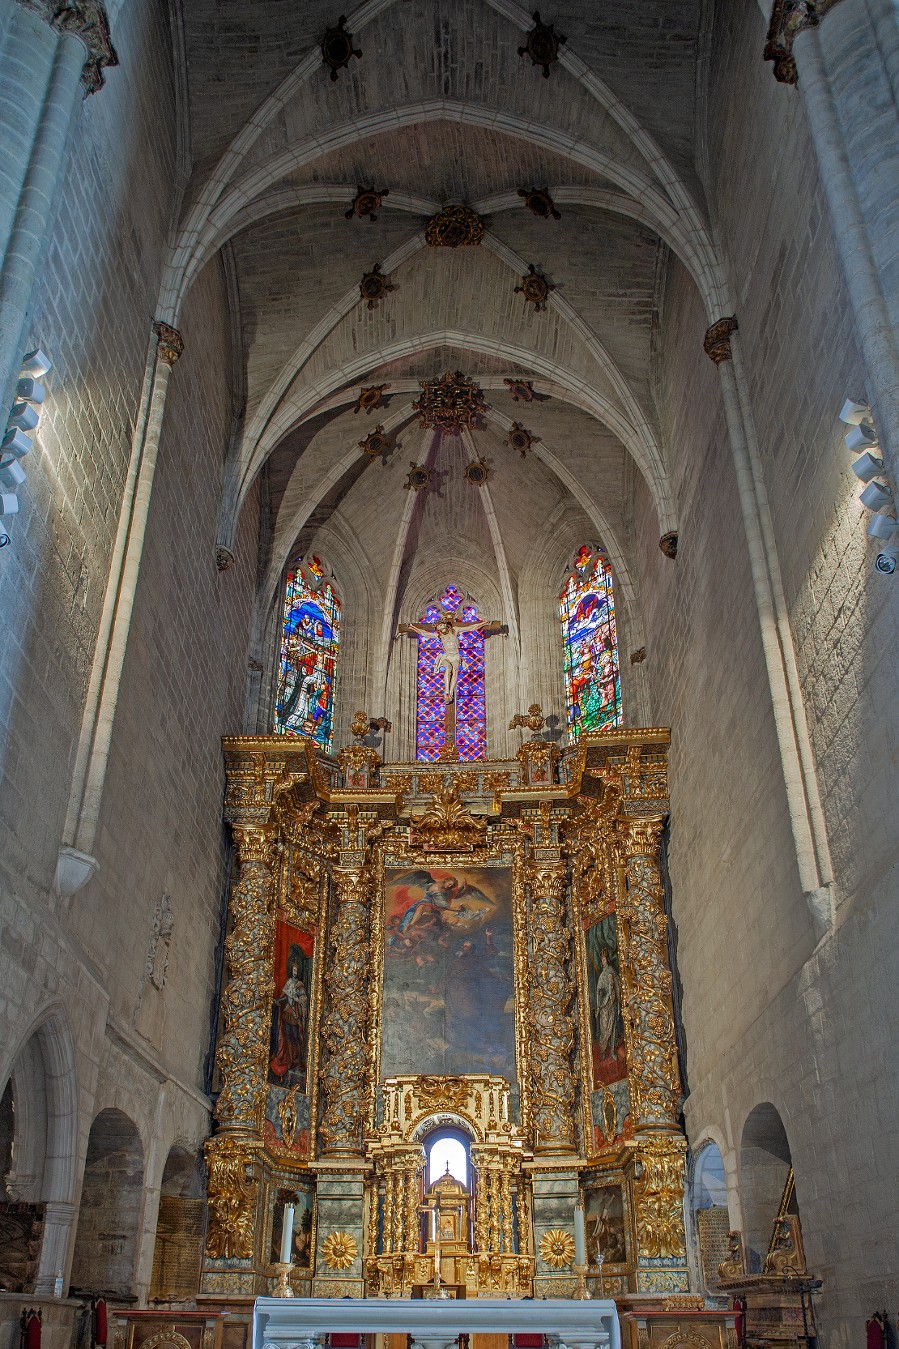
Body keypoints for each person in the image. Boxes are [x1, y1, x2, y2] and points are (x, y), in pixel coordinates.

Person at [398, 613, 502, 702]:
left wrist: (483, 623)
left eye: (441, 625)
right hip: (446, 656)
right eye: (438, 627)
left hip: (455, 656)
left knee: (455, 670)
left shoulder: (455, 630)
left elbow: (470, 627)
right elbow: (424, 633)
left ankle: (451, 692)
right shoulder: (439, 635)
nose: (440, 628)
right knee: (448, 668)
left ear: (445, 625)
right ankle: (446, 691)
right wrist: (412, 627)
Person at [593, 947, 621, 1062]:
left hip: (612, 1003)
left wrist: (613, 988)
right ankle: (603, 1050)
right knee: (604, 1029)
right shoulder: (602, 975)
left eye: (604, 960)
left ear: (607, 960)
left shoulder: (611, 971)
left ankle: (613, 1050)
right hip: (604, 1005)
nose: (603, 962)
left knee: (612, 1026)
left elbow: (618, 985)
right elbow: (598, 991)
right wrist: (599, 1004)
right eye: (602, 960)